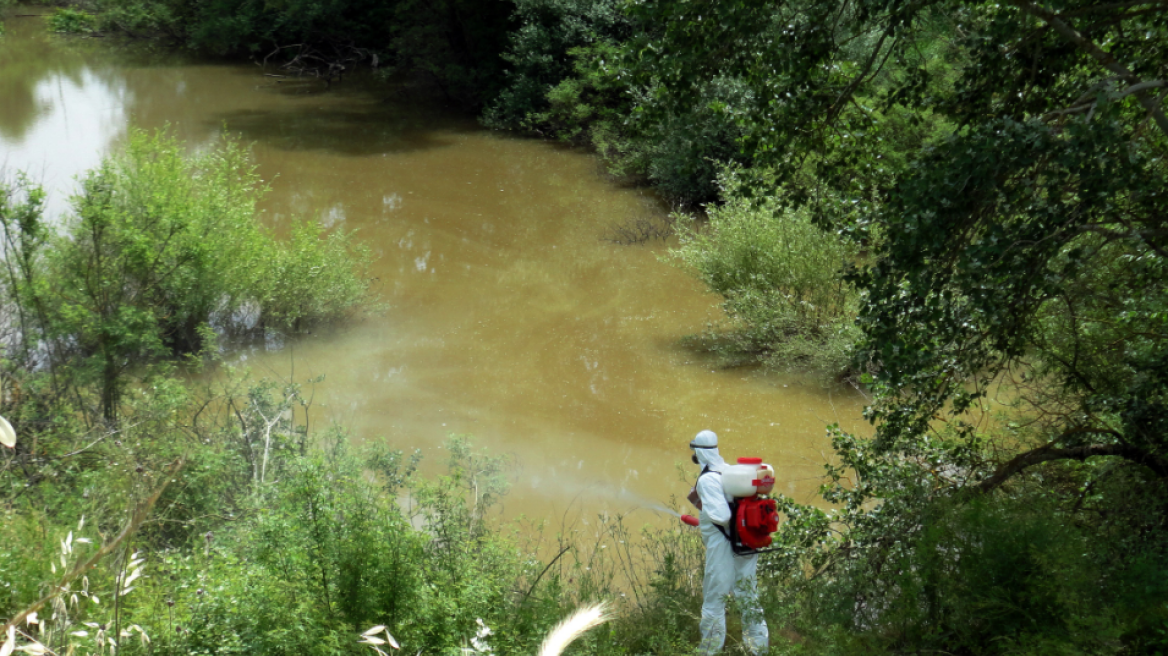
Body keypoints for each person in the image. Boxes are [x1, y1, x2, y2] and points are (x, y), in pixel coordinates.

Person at [688, 430, 769, 656]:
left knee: (714, 599)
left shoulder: (707, 479)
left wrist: (707, 514)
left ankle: (709, 651)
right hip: (746, 542)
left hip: (723, 546)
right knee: (748, 597)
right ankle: (758, 650)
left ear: (698, 452)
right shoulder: (731, 472)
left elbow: (722, 517)